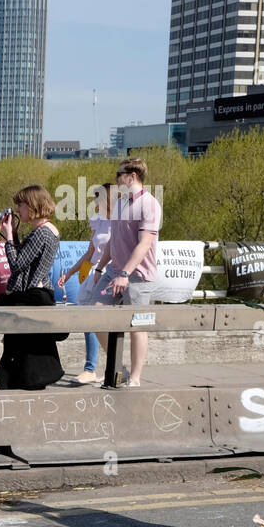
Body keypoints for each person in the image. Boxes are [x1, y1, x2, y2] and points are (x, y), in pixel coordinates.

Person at [92, 158, 162, 387]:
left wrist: (125, 273)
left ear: (131, 176)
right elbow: (114, 240)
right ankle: (118, 367)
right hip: (114, 272)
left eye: (118, 174)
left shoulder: (150, 204)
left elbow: (144, 244)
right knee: (94, 313)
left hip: (138, 276)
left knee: (137, 326)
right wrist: (101, 267)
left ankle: (135, 378)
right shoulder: (121, 203)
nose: (116, 179)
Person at [0, 185, 64, 391]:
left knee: (20, 353)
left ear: (33, 205)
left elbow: (17, 265)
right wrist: (15, 235)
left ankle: (15, 390)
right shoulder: (49, 230)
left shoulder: (41, 233)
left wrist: (8, 238)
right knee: (31, 352)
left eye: (21, 205)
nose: (18, 210)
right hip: (39, 295)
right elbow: (26, 260)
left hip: (31, 296)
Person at [57, 182, 114, 384]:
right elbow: (90, 253)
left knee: (96, 318)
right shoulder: (99, 222)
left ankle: (107, 366)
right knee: (90, 318)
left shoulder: (119, 221)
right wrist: (71, 273)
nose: (94, 202)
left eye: (98, 198)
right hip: (95, 273)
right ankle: (95, 368)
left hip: (109, 273)